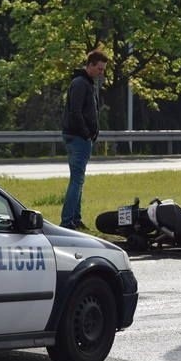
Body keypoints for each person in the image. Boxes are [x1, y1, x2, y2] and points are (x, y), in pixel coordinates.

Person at [60, 49, 109, 229]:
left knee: (79, 179)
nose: (101, 73)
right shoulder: (81, 83)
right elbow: (75, 112)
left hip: (82, 137)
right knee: (77, 179)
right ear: (89, 65)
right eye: (99, 69)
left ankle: (75, 218)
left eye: (103, 70)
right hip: (78, 137)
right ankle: (67, 221)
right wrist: (87, 133)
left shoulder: (86, 83)